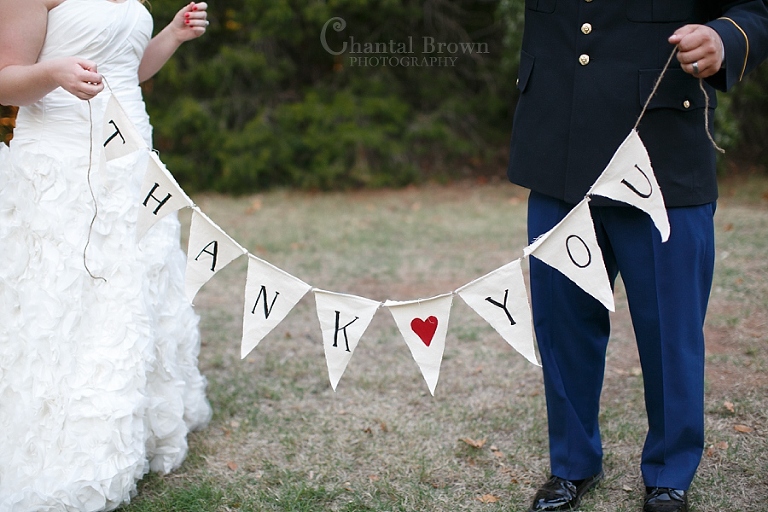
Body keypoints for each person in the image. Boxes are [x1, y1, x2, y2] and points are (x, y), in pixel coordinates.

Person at [506, 2, 768, 511]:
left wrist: (724, 39)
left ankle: (670, 474)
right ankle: (571, 466)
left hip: (662, 153)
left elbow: (757, 11)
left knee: (669, 332)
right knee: (562, 326)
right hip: (558, 146)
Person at [0, 1, 213, 510]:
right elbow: (6, 79)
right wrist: (52, 73)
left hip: (132, 160)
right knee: (66, 294)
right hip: (62, 163)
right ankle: (66, 433)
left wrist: (170, 37)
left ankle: (136, 425)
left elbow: (126, 70)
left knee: (128, 295)